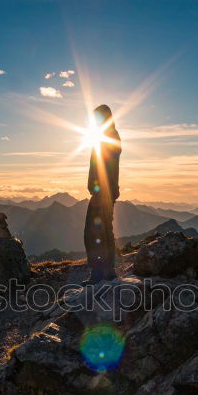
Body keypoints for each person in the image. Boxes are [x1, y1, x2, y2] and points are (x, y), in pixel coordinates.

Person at [84, 104, 122, 282]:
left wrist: (98, 187)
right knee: (102, 230)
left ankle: (101, 272)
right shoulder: (106, 136)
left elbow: (103, 164)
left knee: (97, 231)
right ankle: (105, 271)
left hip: (104, 192)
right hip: (103, 191)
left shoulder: (109, 137)